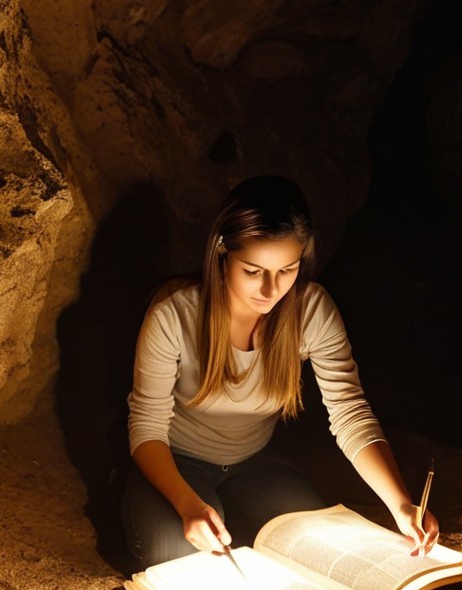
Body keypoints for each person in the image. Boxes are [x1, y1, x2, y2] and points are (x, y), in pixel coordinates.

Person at [120, 175, 439, 567]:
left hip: (254, 462)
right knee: (180, 559)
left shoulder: (312, 311)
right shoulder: (175, 314)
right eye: (253, 271)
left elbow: (349, 412)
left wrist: (401, 503)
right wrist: (188, 506)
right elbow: (146, 425)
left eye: (287, 270)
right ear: (222, 252)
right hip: (175, 463)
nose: (271, 290)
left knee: (322, 553)